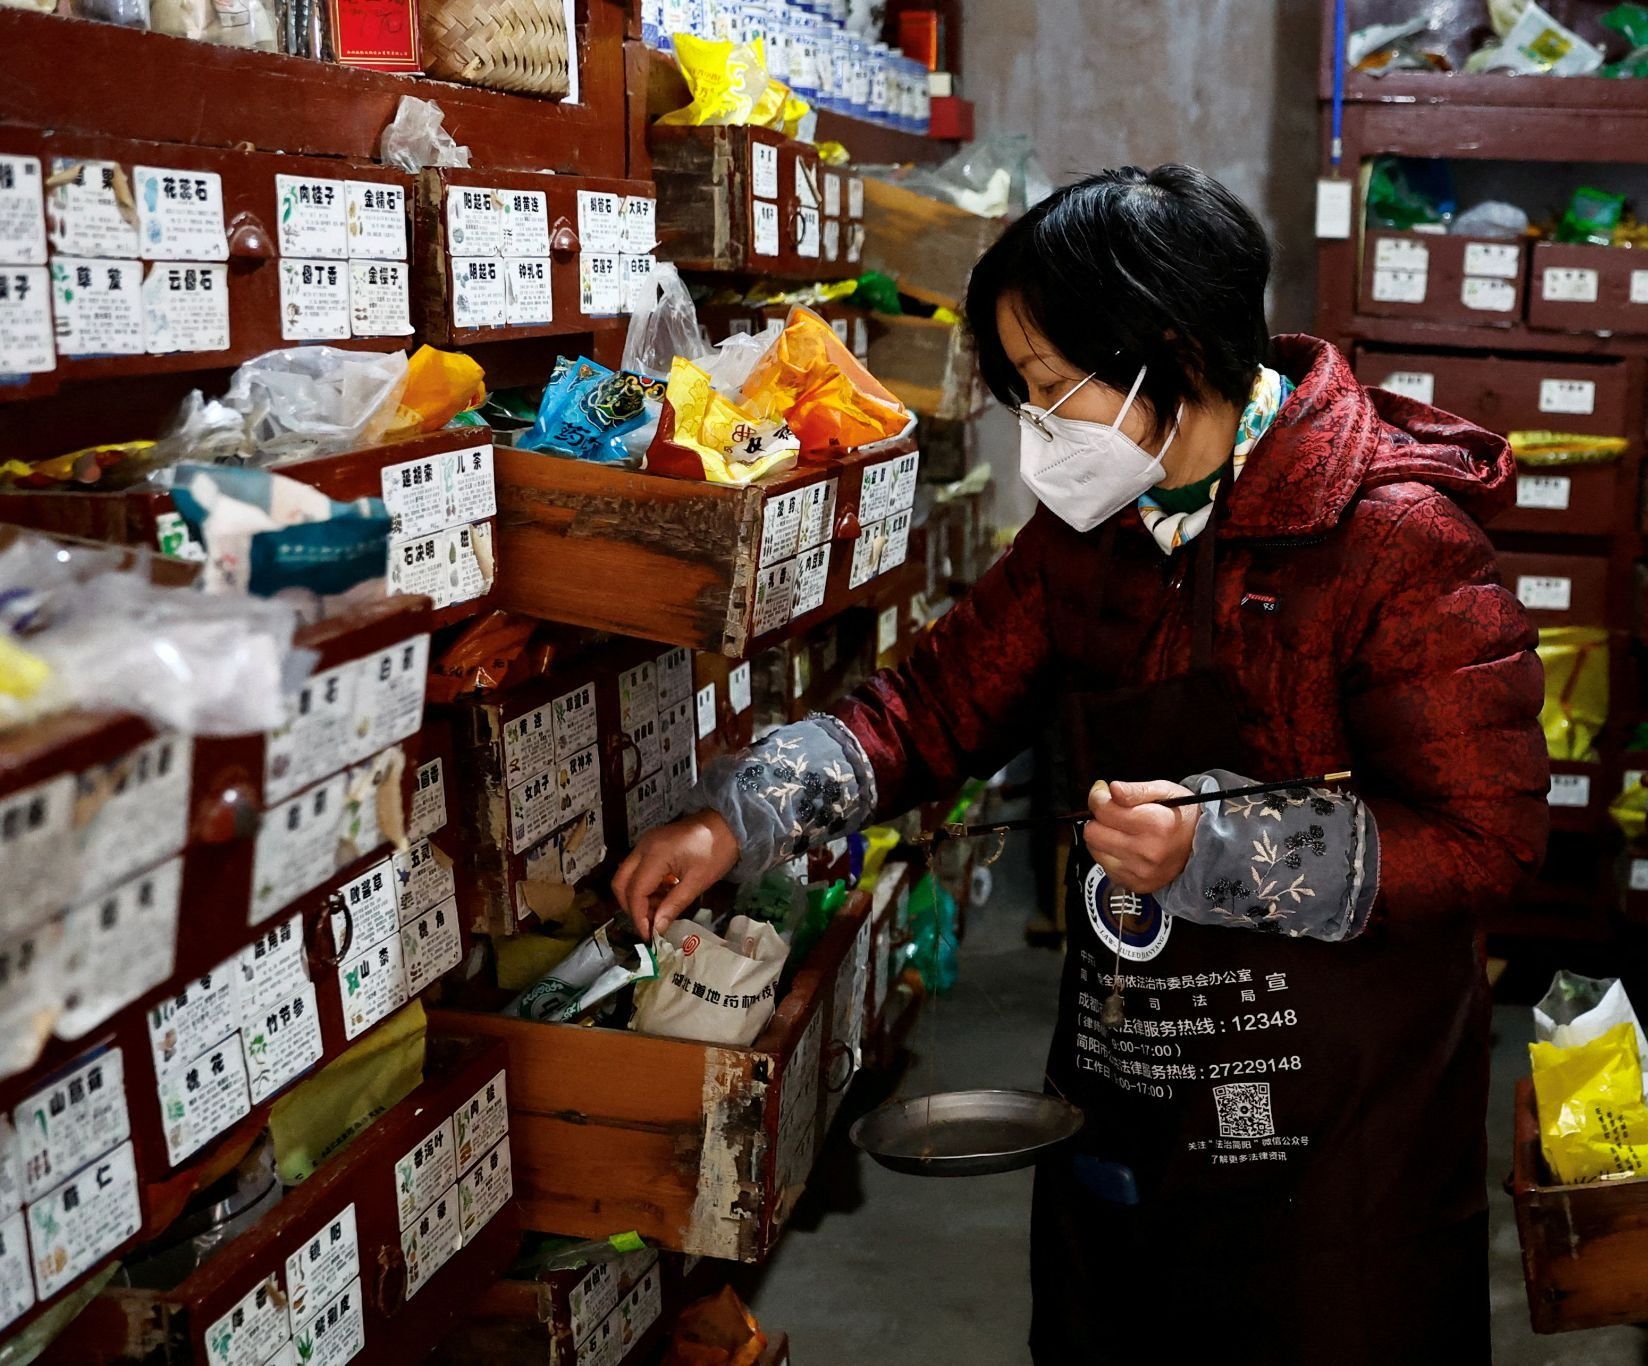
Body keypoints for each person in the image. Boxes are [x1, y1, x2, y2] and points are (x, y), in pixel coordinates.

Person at [612, 164, 1547, 1364]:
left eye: (1053, 389)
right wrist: (741, 814)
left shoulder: (1389, 538)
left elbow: (1486, 836)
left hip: (1340, 1127)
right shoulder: (1093, 533)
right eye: (1023, 399)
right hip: (1138, 1077)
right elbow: (935, 701)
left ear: (1168, 348)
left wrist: (1218, 853)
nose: (1039, 432)